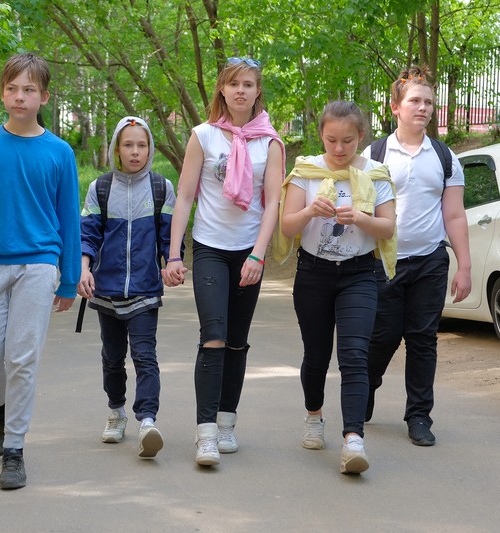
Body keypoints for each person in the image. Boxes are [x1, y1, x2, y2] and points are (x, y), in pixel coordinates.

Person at [0, 53, 81, 490]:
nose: (19, 96)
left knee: (22, 357)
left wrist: (66, 277)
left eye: (29, 89)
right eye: (12, 88)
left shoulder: (60, 153)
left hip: (39, 264)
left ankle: (15, 450)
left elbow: (68, 219)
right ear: (2, 93)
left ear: (43, 96)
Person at [161, 57, 285, 467]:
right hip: (210, 248)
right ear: (222, 90)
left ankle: (227, 421)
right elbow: (184, 197)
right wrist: (174, 253)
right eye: (233, 84)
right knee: (212, 336)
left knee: (237, 340)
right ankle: (206, 433)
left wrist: (258, 254)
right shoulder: (203, 136)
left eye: (248, 84)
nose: (241, 91)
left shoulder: (270, 143)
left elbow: (272, 205)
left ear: (257, 92)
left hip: (248, 253)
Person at [276, 100, 396, 474]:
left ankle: (353, 440)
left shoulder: (376, 173)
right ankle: (314, 416)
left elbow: (388, 228)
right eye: (331, 140)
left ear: (361, 136)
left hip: (360, 274)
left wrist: (361, 217)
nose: (339, 149)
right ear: (322, 137)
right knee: (316, 354)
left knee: (355, 355)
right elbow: (287, 226)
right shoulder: (306, 171)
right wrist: (311, 210)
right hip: (313, 274)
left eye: (347, 140)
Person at [361, 65, 471, 447]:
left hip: (429, 261)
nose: (422, 108)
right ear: (396, 107)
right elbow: (359, 207)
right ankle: (368, 385)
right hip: (382, 262)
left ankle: (419, 417)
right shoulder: (373, 154)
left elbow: (454, 215)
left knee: (423, 339)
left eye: (428, 102)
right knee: (382, 337)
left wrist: (465, 267)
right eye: (414, 101)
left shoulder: (444, 158)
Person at [77, 116, 176, 459]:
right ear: (117, 149)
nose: (135, 152)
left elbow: (168, 239)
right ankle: (116, 411)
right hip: (106, 291)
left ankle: (147, 421)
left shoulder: (162, 188)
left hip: (146, 290)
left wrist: (172, 263)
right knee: (112, 358)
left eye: (142, 145)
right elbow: (87, 234)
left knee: (145, 357)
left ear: (149, 148)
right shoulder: (100, 189)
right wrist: (83, 269)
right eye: (128, 144)